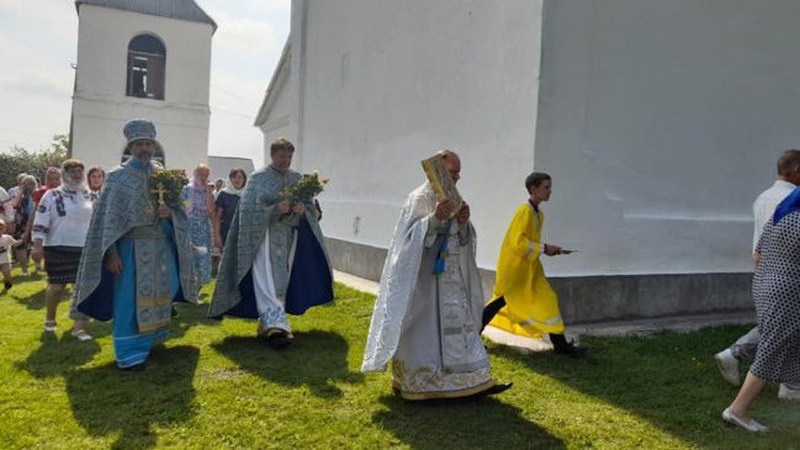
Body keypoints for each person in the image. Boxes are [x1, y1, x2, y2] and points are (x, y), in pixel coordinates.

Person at [362, 150, 511, 400]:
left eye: (459, 172)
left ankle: (473, 380)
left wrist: (463, 223)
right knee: (425, 334)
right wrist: (434, 219)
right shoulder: (418, 198)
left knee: (460, 329)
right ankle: (420, 383)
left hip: (450, 281)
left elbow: (462, 239)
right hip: (425, 284)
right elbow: (406, 243)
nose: (458, 176)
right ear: (439, 170)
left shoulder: (454, 197)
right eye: (454, 171)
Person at [73, 119, 197, 370]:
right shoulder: (117, 177)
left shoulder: (163, 175)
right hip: (130, 248)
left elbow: (179, 211)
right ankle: (129, 353)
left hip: (161, 246)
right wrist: (111, 253)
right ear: (130, 146)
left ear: (154, 145)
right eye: (139, 143)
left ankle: (151, 339)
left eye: (148, 143)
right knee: (128, 299)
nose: (144, 148)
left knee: (165, 290)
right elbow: (107, 221)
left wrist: (170, 214)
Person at [209, 138, 333, 349]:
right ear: (272, 155)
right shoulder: (258, 178)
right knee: (266, 278)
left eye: (289, 157)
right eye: (282, 156)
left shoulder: (296, 178)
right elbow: (247, 212)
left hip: (289, 238)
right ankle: (276, 325)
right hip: (263, 238)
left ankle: (271, 321)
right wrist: (274, 210)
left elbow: (311, 209)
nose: (285, 160)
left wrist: (304, 210)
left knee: (284, 279)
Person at [714, 150, 800, 401]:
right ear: (796, 170)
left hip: (765, 267)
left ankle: (790, 384)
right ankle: (741, 399)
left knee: (781, 328)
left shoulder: (764, 197)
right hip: (787, 273)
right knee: (779, 332)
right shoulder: (790, 202)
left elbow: (763, 243)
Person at [722, 187, 800, 432]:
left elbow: (757, 255)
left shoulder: (781, 216)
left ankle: (792, 388)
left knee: (784, 343)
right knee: (771, 349)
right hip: (787, 293)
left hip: (767, 285)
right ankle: (737, 410)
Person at [482, 172, 585, 356]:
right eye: (546, 187)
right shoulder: (525, 212)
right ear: (533, 189)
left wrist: (548, 250)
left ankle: (560, 345)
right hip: (514, 269)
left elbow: (530, 243)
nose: (550, 191)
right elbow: (518, 242)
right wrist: (545, 248)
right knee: (500, 301)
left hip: (530, 268)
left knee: (548, 299)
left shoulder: (539, 214)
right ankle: (471, 339)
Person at [31, 159, 95, 340]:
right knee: (56, 286)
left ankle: (79, 328)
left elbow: (98, 222)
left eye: (79, 171)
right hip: (56, 246)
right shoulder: (51, 195)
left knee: (82, 288)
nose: (76, 174)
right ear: (64, 174)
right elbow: (41, 221)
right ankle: (50, 318)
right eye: (72, 171)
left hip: (84, 247)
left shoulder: (90, 196)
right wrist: (37, 246)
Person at [182, 164, 215, 288]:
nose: (203, 177)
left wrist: (208, 192)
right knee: (190, 252)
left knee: (202, 253)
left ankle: (200, 284)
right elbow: (184, 206)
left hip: (202, 226)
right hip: (189, 224)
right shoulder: (187, 189)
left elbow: (211, 211)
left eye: (206, 175)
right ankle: (189, 284)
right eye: (201, 174)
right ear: (195, 174)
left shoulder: (208, 191)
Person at [24, 167, 61, 274]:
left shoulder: (66, 191)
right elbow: (34, 212)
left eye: (56, 179)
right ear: (45, 180)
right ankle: (39, 264)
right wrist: (27, 231)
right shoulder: (41, 192)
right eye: (50, 179)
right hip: (44, 226)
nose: (53, 182)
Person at [213, 168, 247, 252]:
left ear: (244, 180)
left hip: (243, 234)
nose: (237, 180)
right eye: (234, 177)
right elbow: (217, 218)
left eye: (240, 177)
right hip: (226, 233)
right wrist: (217, 237)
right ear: (230, 179)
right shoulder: (224, 194)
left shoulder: (248, 195)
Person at [10, 175, 36, 275]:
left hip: (35, 220)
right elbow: (14, 204)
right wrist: (21, 190)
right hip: (21, 222)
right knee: (21, 246)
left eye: (30, 183)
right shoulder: (17, 193)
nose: (28, 185)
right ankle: (24, 270)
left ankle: (37, 264)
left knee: (36, 243)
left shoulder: (37, 192)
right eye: (25, 183)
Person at [0, 219, 20, 291]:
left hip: (5, 260)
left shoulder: (7, 238)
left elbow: (15, 244)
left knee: (6, 273)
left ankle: (7, 283)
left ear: (4, 229)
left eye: (1, 229)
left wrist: (22, 240)